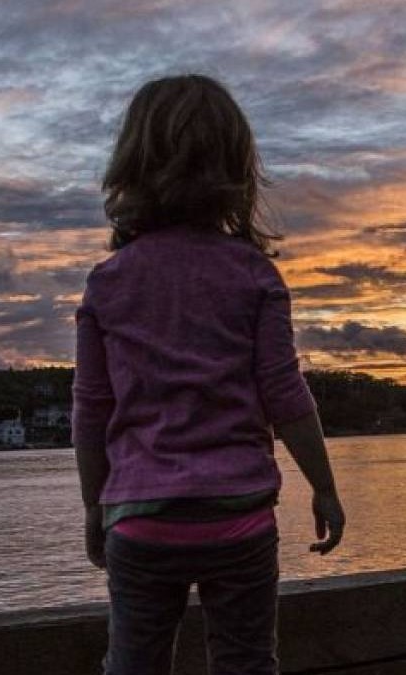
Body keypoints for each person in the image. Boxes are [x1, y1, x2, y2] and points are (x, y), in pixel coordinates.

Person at [73, 73, 346, 675]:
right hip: (238, 517)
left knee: (133, 665)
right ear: (236, 169)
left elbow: (92, 408)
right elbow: (284, 393)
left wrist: (96, 505)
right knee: (247, 664)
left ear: (132, 166)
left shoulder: (108, 283)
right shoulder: (254, 275)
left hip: (140, 518)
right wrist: (324, 487)